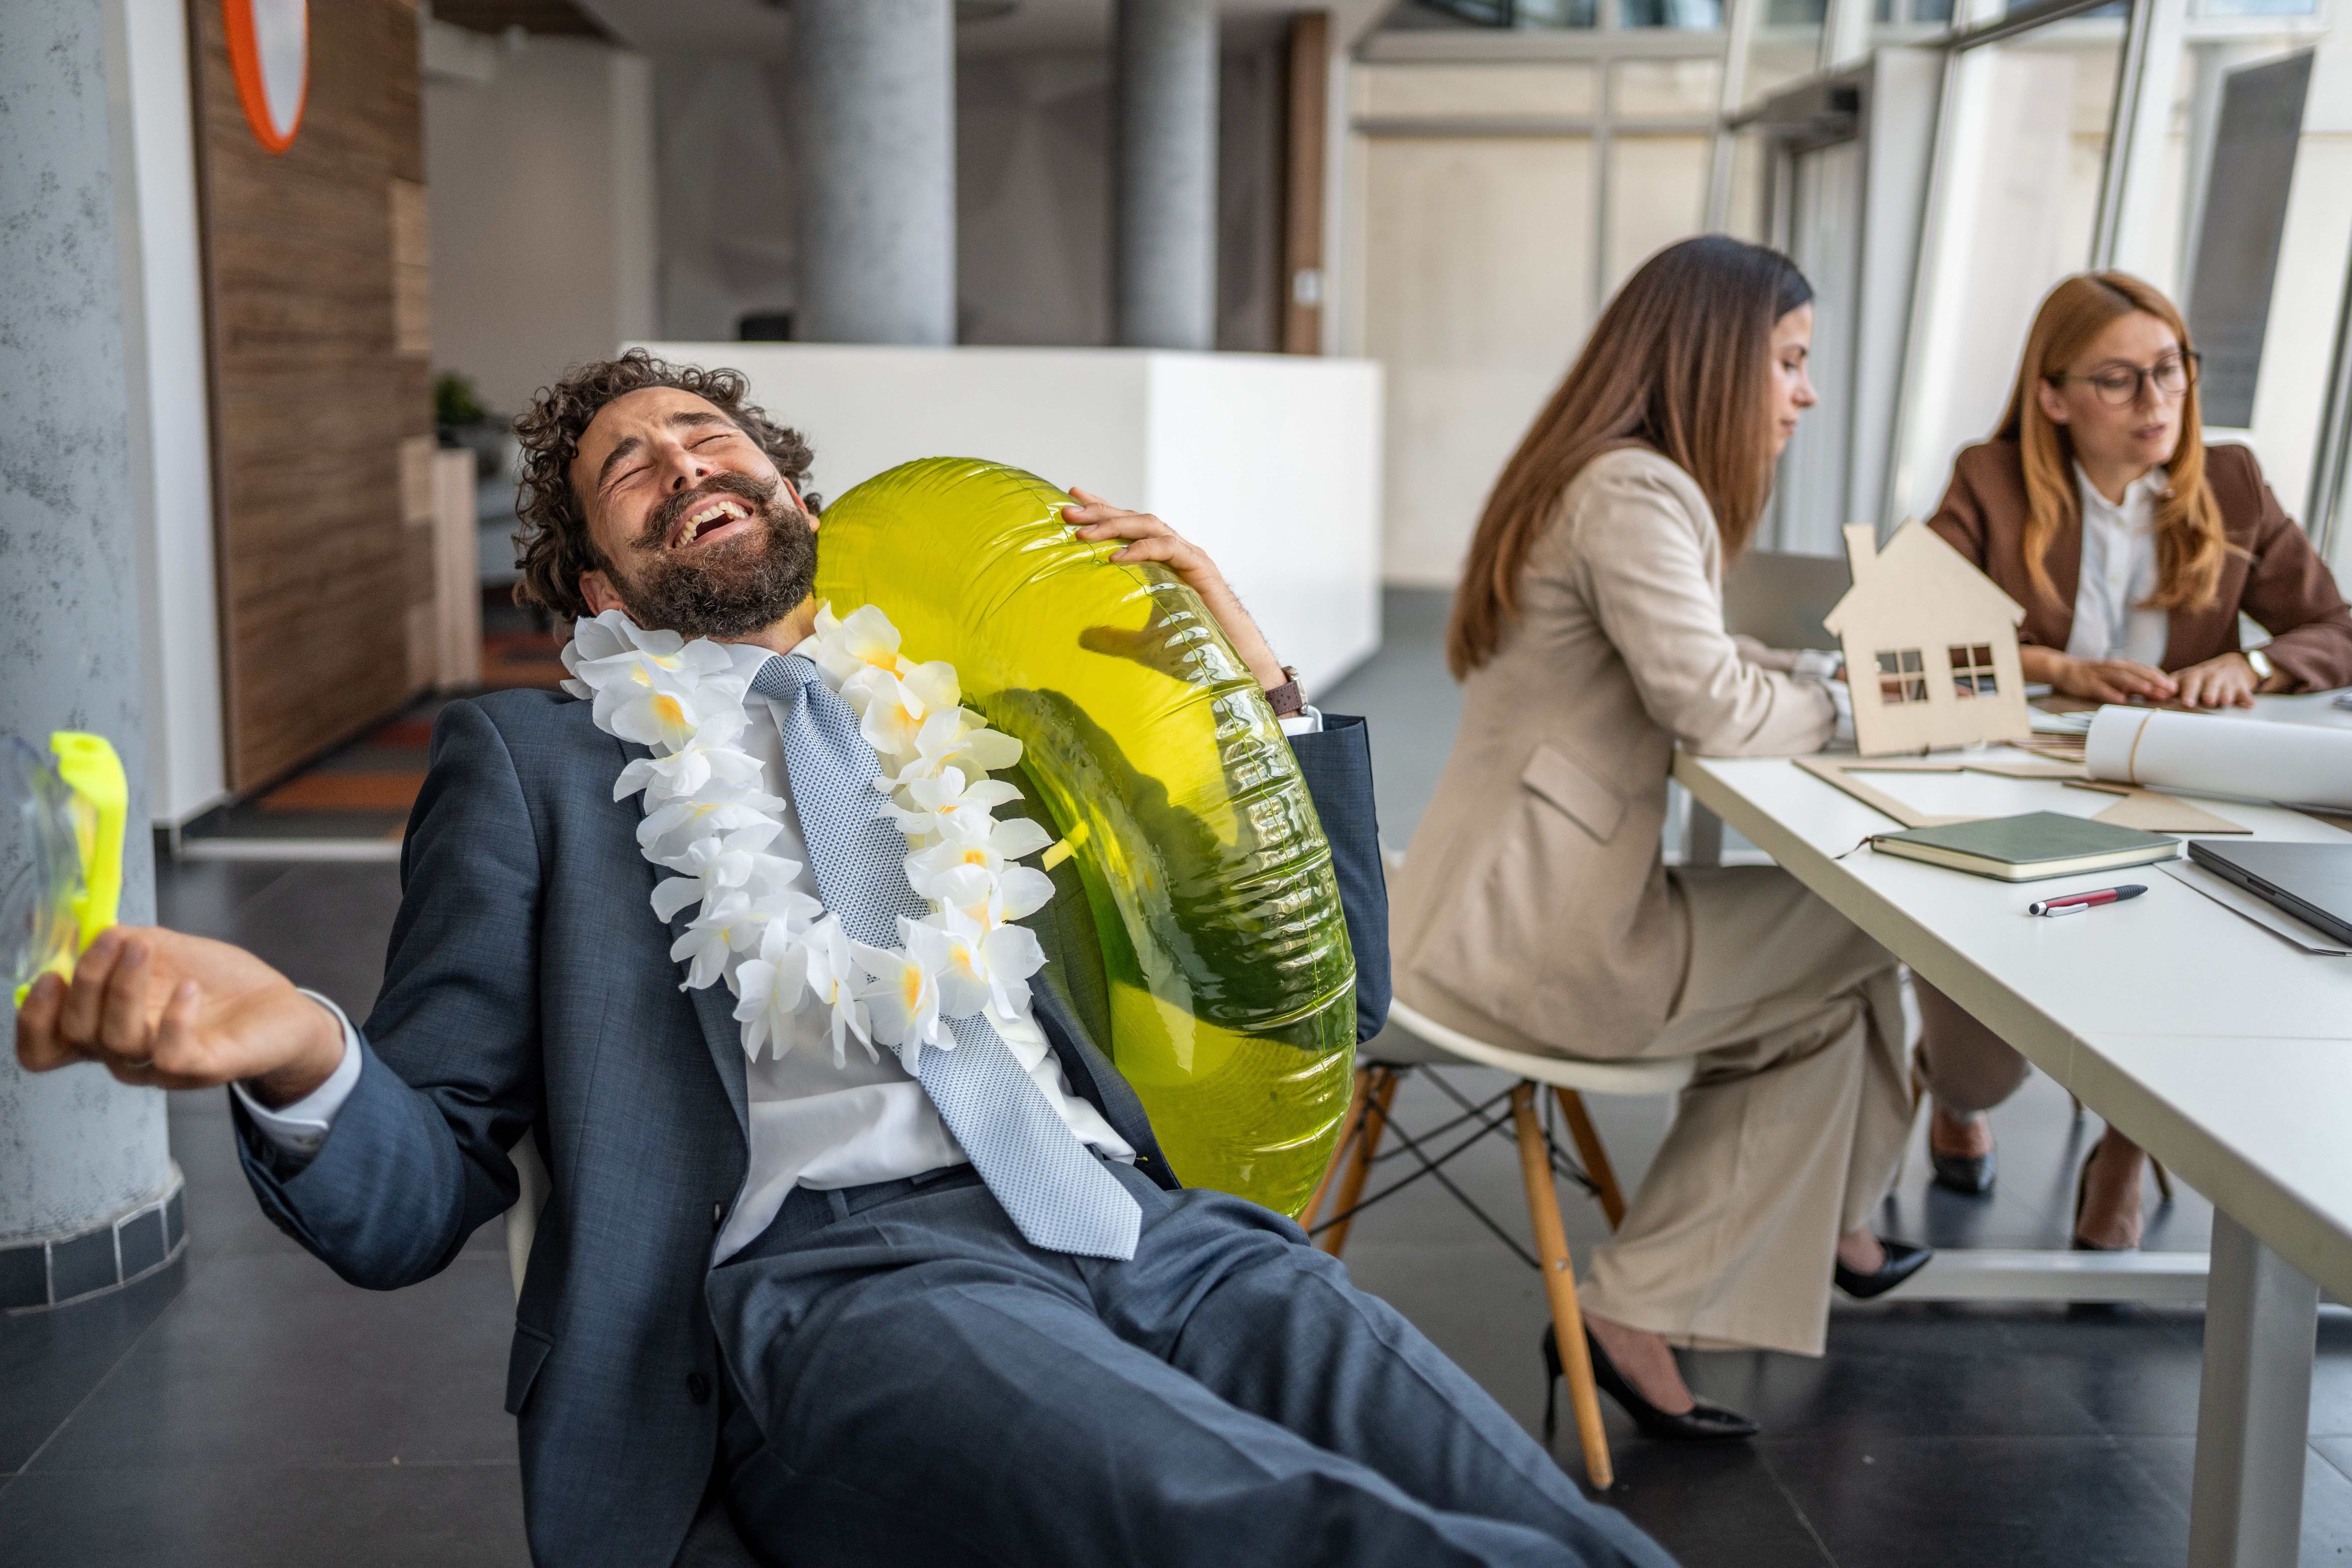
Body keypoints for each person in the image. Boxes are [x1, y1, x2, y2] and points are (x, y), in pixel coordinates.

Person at [16, 352, 1674, 1568]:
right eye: (631, 468)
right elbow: (417, 1186)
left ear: (794, 496)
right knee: (1280, 1531)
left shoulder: (970, 718)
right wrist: (301, 1050)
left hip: (1144, 1226)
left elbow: (1325, 1005)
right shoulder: (530, 768)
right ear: (599, 581)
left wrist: (1268, 699)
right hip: (847, 1285)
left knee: (1520, 1506)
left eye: (709, 435)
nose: (682, 463)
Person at [1389, 237, 1936, 1445]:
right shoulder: (1641, 493)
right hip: (1536, 944)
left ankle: (1734, 1270)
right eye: (1788, 362)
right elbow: (1715, 710)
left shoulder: (1591, 475)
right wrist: (1860, 708)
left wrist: (1822, 676)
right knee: (1870, 930)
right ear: (1714, 358)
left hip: (1486, 902)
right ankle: (1755, 1255)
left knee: (1828, 988)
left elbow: (1707, 663)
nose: (1803, 393)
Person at [1916, 271, 2352, 1248]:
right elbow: (1915, 634)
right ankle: (1959, 1092)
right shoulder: (1989, 482)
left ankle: (2127, 1142)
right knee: (1977, 1023)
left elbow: (2336, 626)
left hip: (2172, 787)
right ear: (2054, 394)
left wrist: (2250, 662)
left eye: (2171, 370)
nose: (2157, 403)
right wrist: (2055, 665)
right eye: (2120, 380)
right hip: (2022, 780)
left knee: (2205, 939)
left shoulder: (2230, 484)